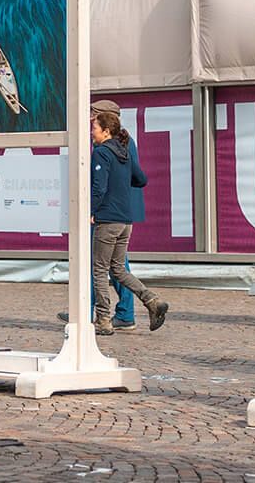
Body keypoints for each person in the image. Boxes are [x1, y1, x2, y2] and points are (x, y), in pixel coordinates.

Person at [88, 101, 168, 335]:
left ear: (106, 128)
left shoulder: (102, 151)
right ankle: (152, 300)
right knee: (119, 269)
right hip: (125, 220)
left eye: (94, 125)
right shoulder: (125, 148)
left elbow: (99, 188)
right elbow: (141, 179)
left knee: (100, 270)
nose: (91, 130)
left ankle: (103, 319)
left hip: (108, 218)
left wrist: (91, 211)